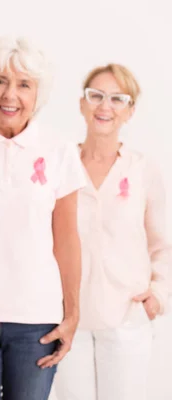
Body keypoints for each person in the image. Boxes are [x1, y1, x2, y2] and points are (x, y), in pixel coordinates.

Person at [0, 36, 86, 400]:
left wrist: (72, 314)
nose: (11, 95)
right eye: (0, 81)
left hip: (37, 321)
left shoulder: (59, 150)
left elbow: (67, 239)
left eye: (24, 84)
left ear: (38, 94)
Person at [54, 64, 171, 400]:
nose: (105, 106)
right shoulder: (61, 165)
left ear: (130, 111)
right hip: (68, 320)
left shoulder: (143, 169)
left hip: (126, 318)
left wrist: (158, 295)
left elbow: (163, 243)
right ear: (81, 104)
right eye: (96, 96)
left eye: (118, 99)